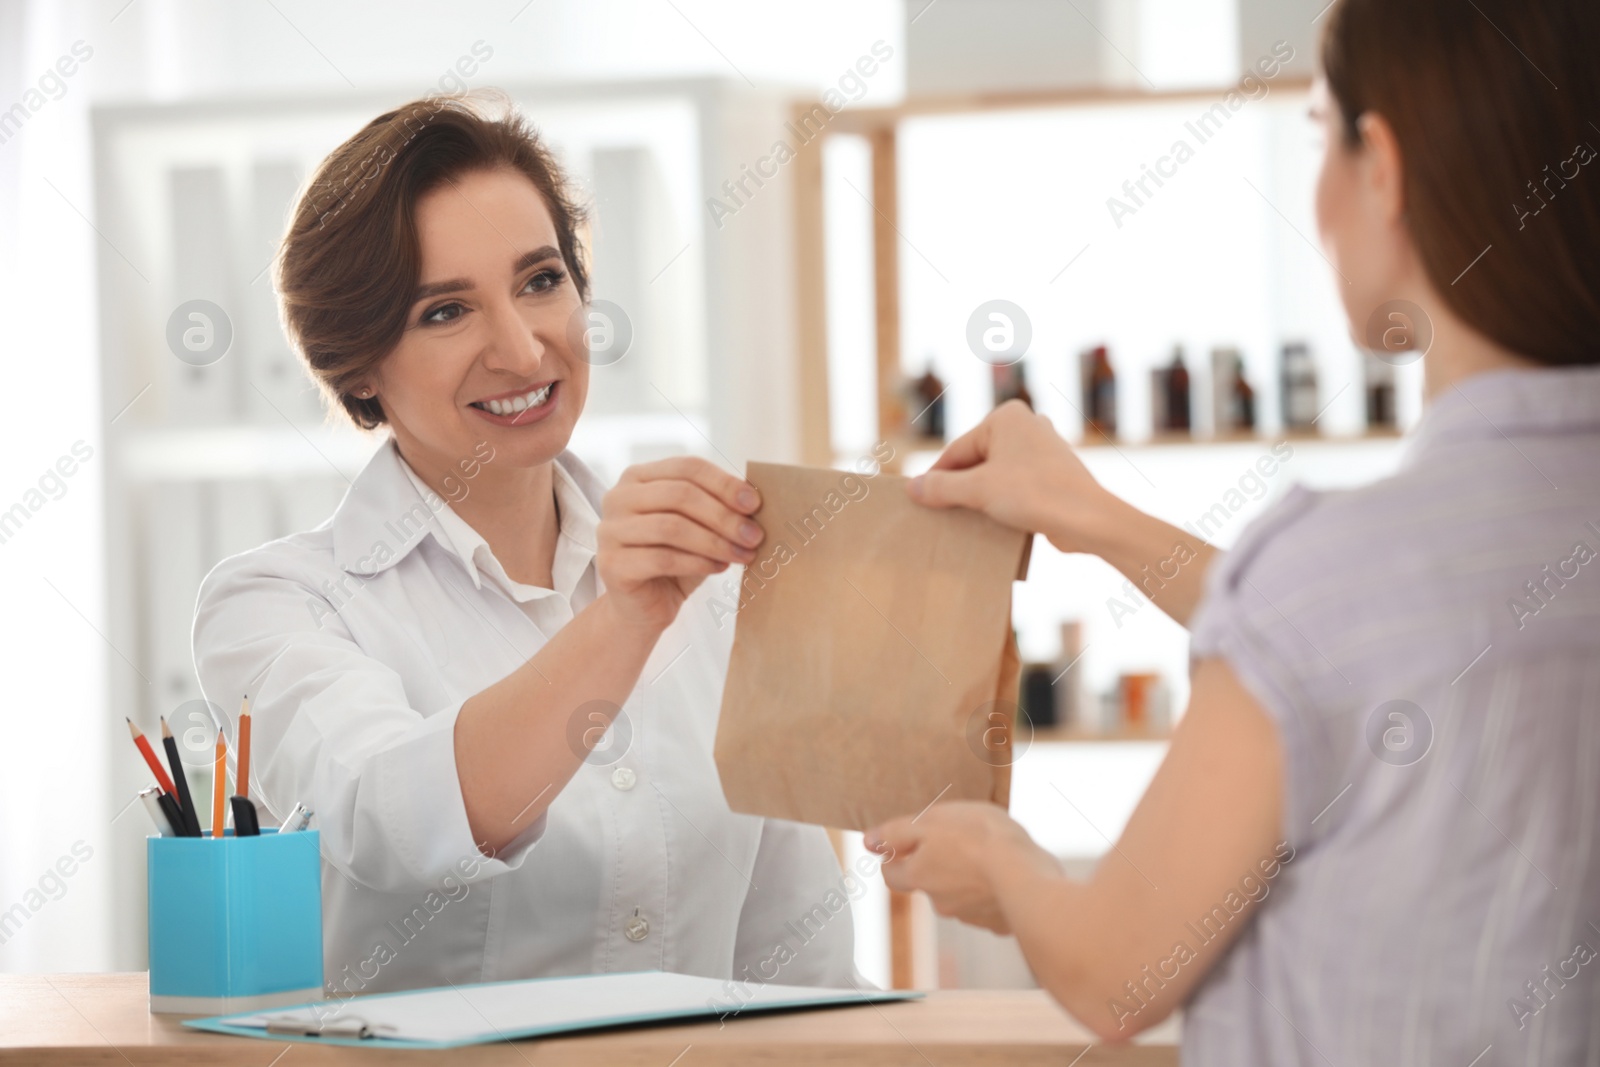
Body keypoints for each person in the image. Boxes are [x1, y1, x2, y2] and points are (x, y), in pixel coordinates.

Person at [867, 0, 1600, 1059]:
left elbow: (1121, 974)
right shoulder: (1390, 577)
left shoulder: (1338, 577)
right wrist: (1094, 518)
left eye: (1320, 135)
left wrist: (1007, 867)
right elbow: (1374, 648)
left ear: (1381, 167)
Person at [192, 93, 858, 996]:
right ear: (355, 364)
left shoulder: (718, 589)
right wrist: (627, 619)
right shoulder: (275, 606)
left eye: (541, 280)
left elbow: (799, 957)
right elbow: (393, 818)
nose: (521, 347)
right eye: (444, 312)